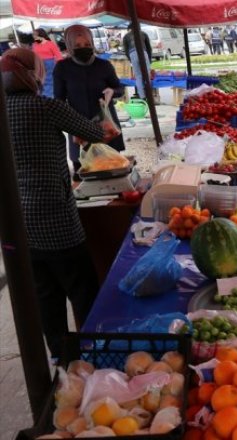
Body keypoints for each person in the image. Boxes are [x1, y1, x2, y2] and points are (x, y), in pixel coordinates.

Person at [3, 48, 118, 358]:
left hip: (17, 222)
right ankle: (94, 350)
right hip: (56, 217)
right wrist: (104, 115)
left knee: (45, 295)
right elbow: (99, 133)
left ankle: (61, 355)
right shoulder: (45, 107)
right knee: (82, 289)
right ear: (32, 75)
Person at [54, 25, 126, 174]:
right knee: (84, 174)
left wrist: (112, 91)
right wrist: (67, 124)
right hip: (78, 128)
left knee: (113, 170)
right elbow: (58, 100)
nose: (83, 48)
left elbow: (119, 89)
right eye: (78, 45)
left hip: (106, 127)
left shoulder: (104, 65)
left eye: (87, 44)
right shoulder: (62, 68)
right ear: (69, 46)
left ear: (92, 43)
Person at [122, 24, 152, 98]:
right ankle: (149, 95)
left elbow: (126, 50)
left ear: (129, 29)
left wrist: (130, 59)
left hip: (132, 53)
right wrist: (150, 60)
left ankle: (142, 97)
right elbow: (149, 48)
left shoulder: (126, 36)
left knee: (138, 76)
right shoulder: (143, 33)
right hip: (143, 52)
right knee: (147, 75)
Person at [31, 29, 63, 98]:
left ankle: (49, 97)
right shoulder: (34, 45)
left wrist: (59, 65)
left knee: (49, 81)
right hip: (38, 64)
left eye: (35, 34)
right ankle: (42, 96)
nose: (33, 36)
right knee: (40, 81)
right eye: (33, 35)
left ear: (41, 35)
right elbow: (33, 55)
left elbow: (58, 55)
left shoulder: (50, 44)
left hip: (49, 64)